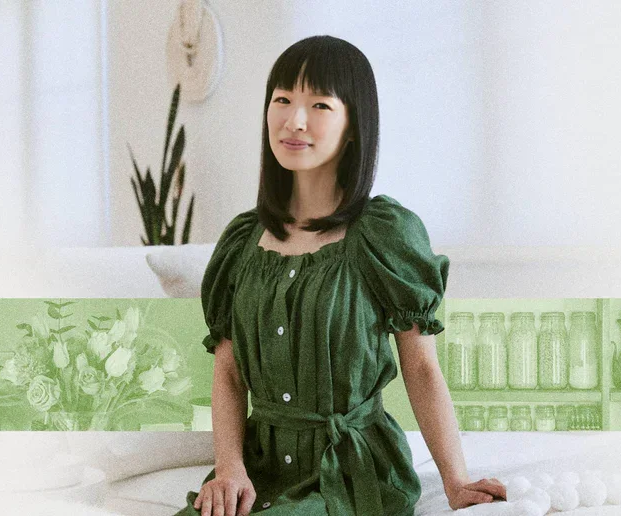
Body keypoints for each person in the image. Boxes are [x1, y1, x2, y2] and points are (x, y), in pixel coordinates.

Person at [175, 35, 506, 516]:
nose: (295, 120)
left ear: (353, 126)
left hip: (352, 473)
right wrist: (229, 468)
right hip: (257, 470)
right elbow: (228, 371)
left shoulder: (383, 234)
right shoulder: (241, 242)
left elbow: (420, 368)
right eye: (282, 100)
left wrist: (456, 481)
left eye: (319, 105)